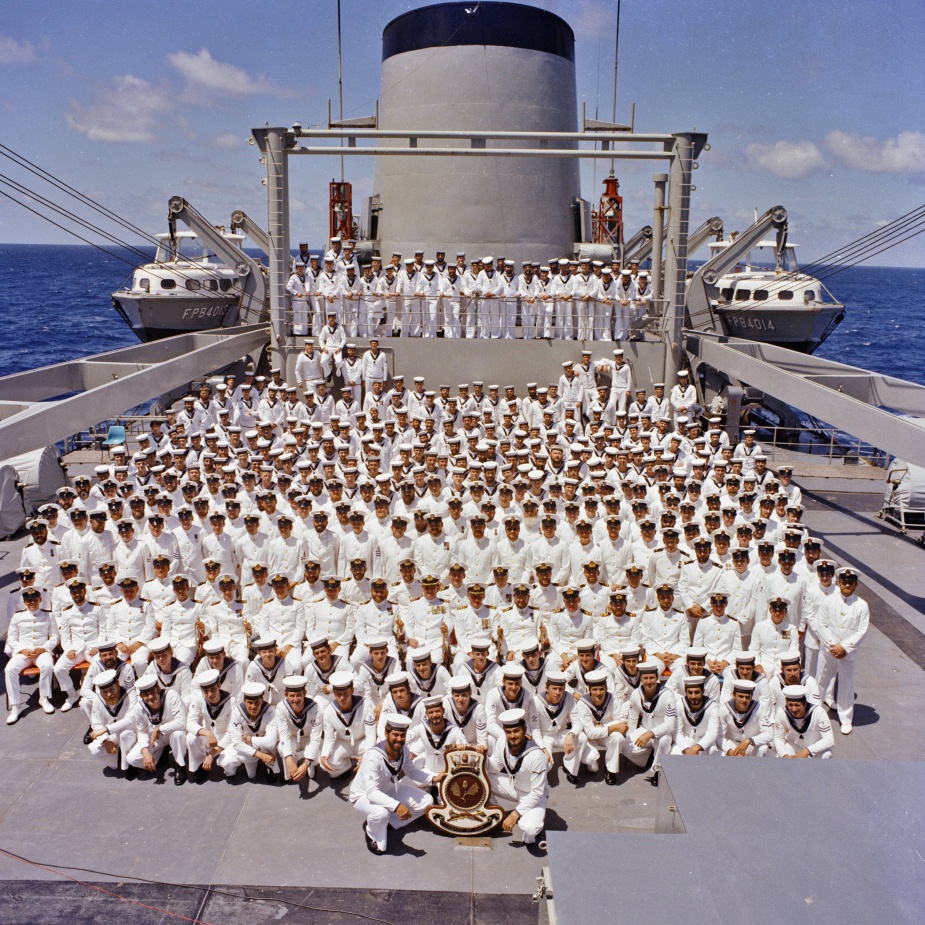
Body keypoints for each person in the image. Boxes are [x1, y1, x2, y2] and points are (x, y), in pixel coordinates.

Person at [350, 714, 443, 855]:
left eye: (402, 735)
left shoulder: (403, 750)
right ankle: (372, 832)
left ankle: (389, 822)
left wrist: (434, 778)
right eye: (395, 735)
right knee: (381, 814)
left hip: (386, 789)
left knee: (427, 801)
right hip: (362, 796)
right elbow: (371, 792)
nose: (399, 739)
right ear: (386, 733)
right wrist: (397, 806)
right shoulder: (373, 756)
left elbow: (411, 772)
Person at [815, 567, 869, 734]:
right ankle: (815, 714)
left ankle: (845, 719)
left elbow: (862, 630)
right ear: (838, 582)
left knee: (846, 686)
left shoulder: (861, 605)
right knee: (821, 681)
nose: (847, 584)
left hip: (848, 653)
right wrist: (832, 646)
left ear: (856, 584)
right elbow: (821, 624)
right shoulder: (828, 601)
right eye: (844, 581)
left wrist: (844, 648)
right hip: (828, 650)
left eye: (850, 582)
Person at [485, 708, 550, 848]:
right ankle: (493, 810)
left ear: (524, 729)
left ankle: (535, 820)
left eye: (516, 731)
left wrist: (514, 815)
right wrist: (483, 756)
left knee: (529, 830)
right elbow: (493, 767)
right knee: (483, 778)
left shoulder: (537, 755)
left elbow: (537, 793)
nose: (512, 736)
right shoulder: (502, 741)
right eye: (508, 732)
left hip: (533, 795)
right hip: (514, 786)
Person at [5, 586, 58, 724]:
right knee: (9, 669)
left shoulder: (49, 615)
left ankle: (44, 698)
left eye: (34, 599)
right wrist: (22, 650)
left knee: (47, 665)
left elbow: (54, 637)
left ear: (40, 599)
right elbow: (11, 639)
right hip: (24, 653)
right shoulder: (17, 617)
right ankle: (15, 706)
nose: (32, 603)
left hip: (41, 652)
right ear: (24, 602)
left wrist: (43, 648)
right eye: (28, 600)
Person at [124, 675, 189, 784]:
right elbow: (142, 731)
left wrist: (160, 728)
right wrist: (145, 751)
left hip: (173, 732)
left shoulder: (171, 695)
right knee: (132, 759)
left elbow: (182, 722)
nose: (150, 697)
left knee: (178, 734)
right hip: (157, 737)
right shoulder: (139, 708)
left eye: (152, 692)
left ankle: (180, 765)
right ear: (141, 695)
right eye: (145, 694)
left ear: (158, 689)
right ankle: (160, 758)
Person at [185, 667, 238, 782]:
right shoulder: (199, 698)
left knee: (227, 765)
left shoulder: (231, 700)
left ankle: (230, 768)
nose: (209, 694)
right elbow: (190, 723)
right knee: (191, 737)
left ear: (219, 685)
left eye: (213, 689)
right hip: (209, 738)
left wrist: (211, 754)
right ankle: (199, 766)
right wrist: (207, 733)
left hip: (226, 740)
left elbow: (232, 731)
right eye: (205, 691)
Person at [275, 674, 324, 783]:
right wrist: (289, 758)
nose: (295, 699)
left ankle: (310, 764)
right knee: (281, 748)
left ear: (305, 694)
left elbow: (316, 738)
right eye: (292, 696)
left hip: (309, 738)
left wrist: (306, 764)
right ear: (285, 694)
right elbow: (283, 735)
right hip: (292, 737)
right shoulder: (280, 708)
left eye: (299, 695)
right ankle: (290, 772)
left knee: (315, 755)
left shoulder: (316, 708)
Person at [86, 668, 137, 773]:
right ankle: (118, 757)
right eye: (105, 692)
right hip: (114, 732)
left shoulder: (130, 693)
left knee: (124, 735)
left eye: (112, 690)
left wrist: (106, 729)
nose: (109, 694)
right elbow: (96, 723)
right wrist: (105, 740)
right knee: (95, 748)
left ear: (118, 685)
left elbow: (130, 719)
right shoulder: (98, 699)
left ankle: (130, 765)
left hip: (134, 731)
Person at [773, 684, 834, 758]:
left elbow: (829, 740)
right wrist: (784, 755)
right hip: (795, 746)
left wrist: (807, 751)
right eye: (790, 705)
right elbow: (778, 738)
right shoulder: (781, 713)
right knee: (781, 753)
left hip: (815, 748)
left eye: (797, 705)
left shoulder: (819, 712)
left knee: (827, 754)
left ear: (805, 704)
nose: (794, 709)